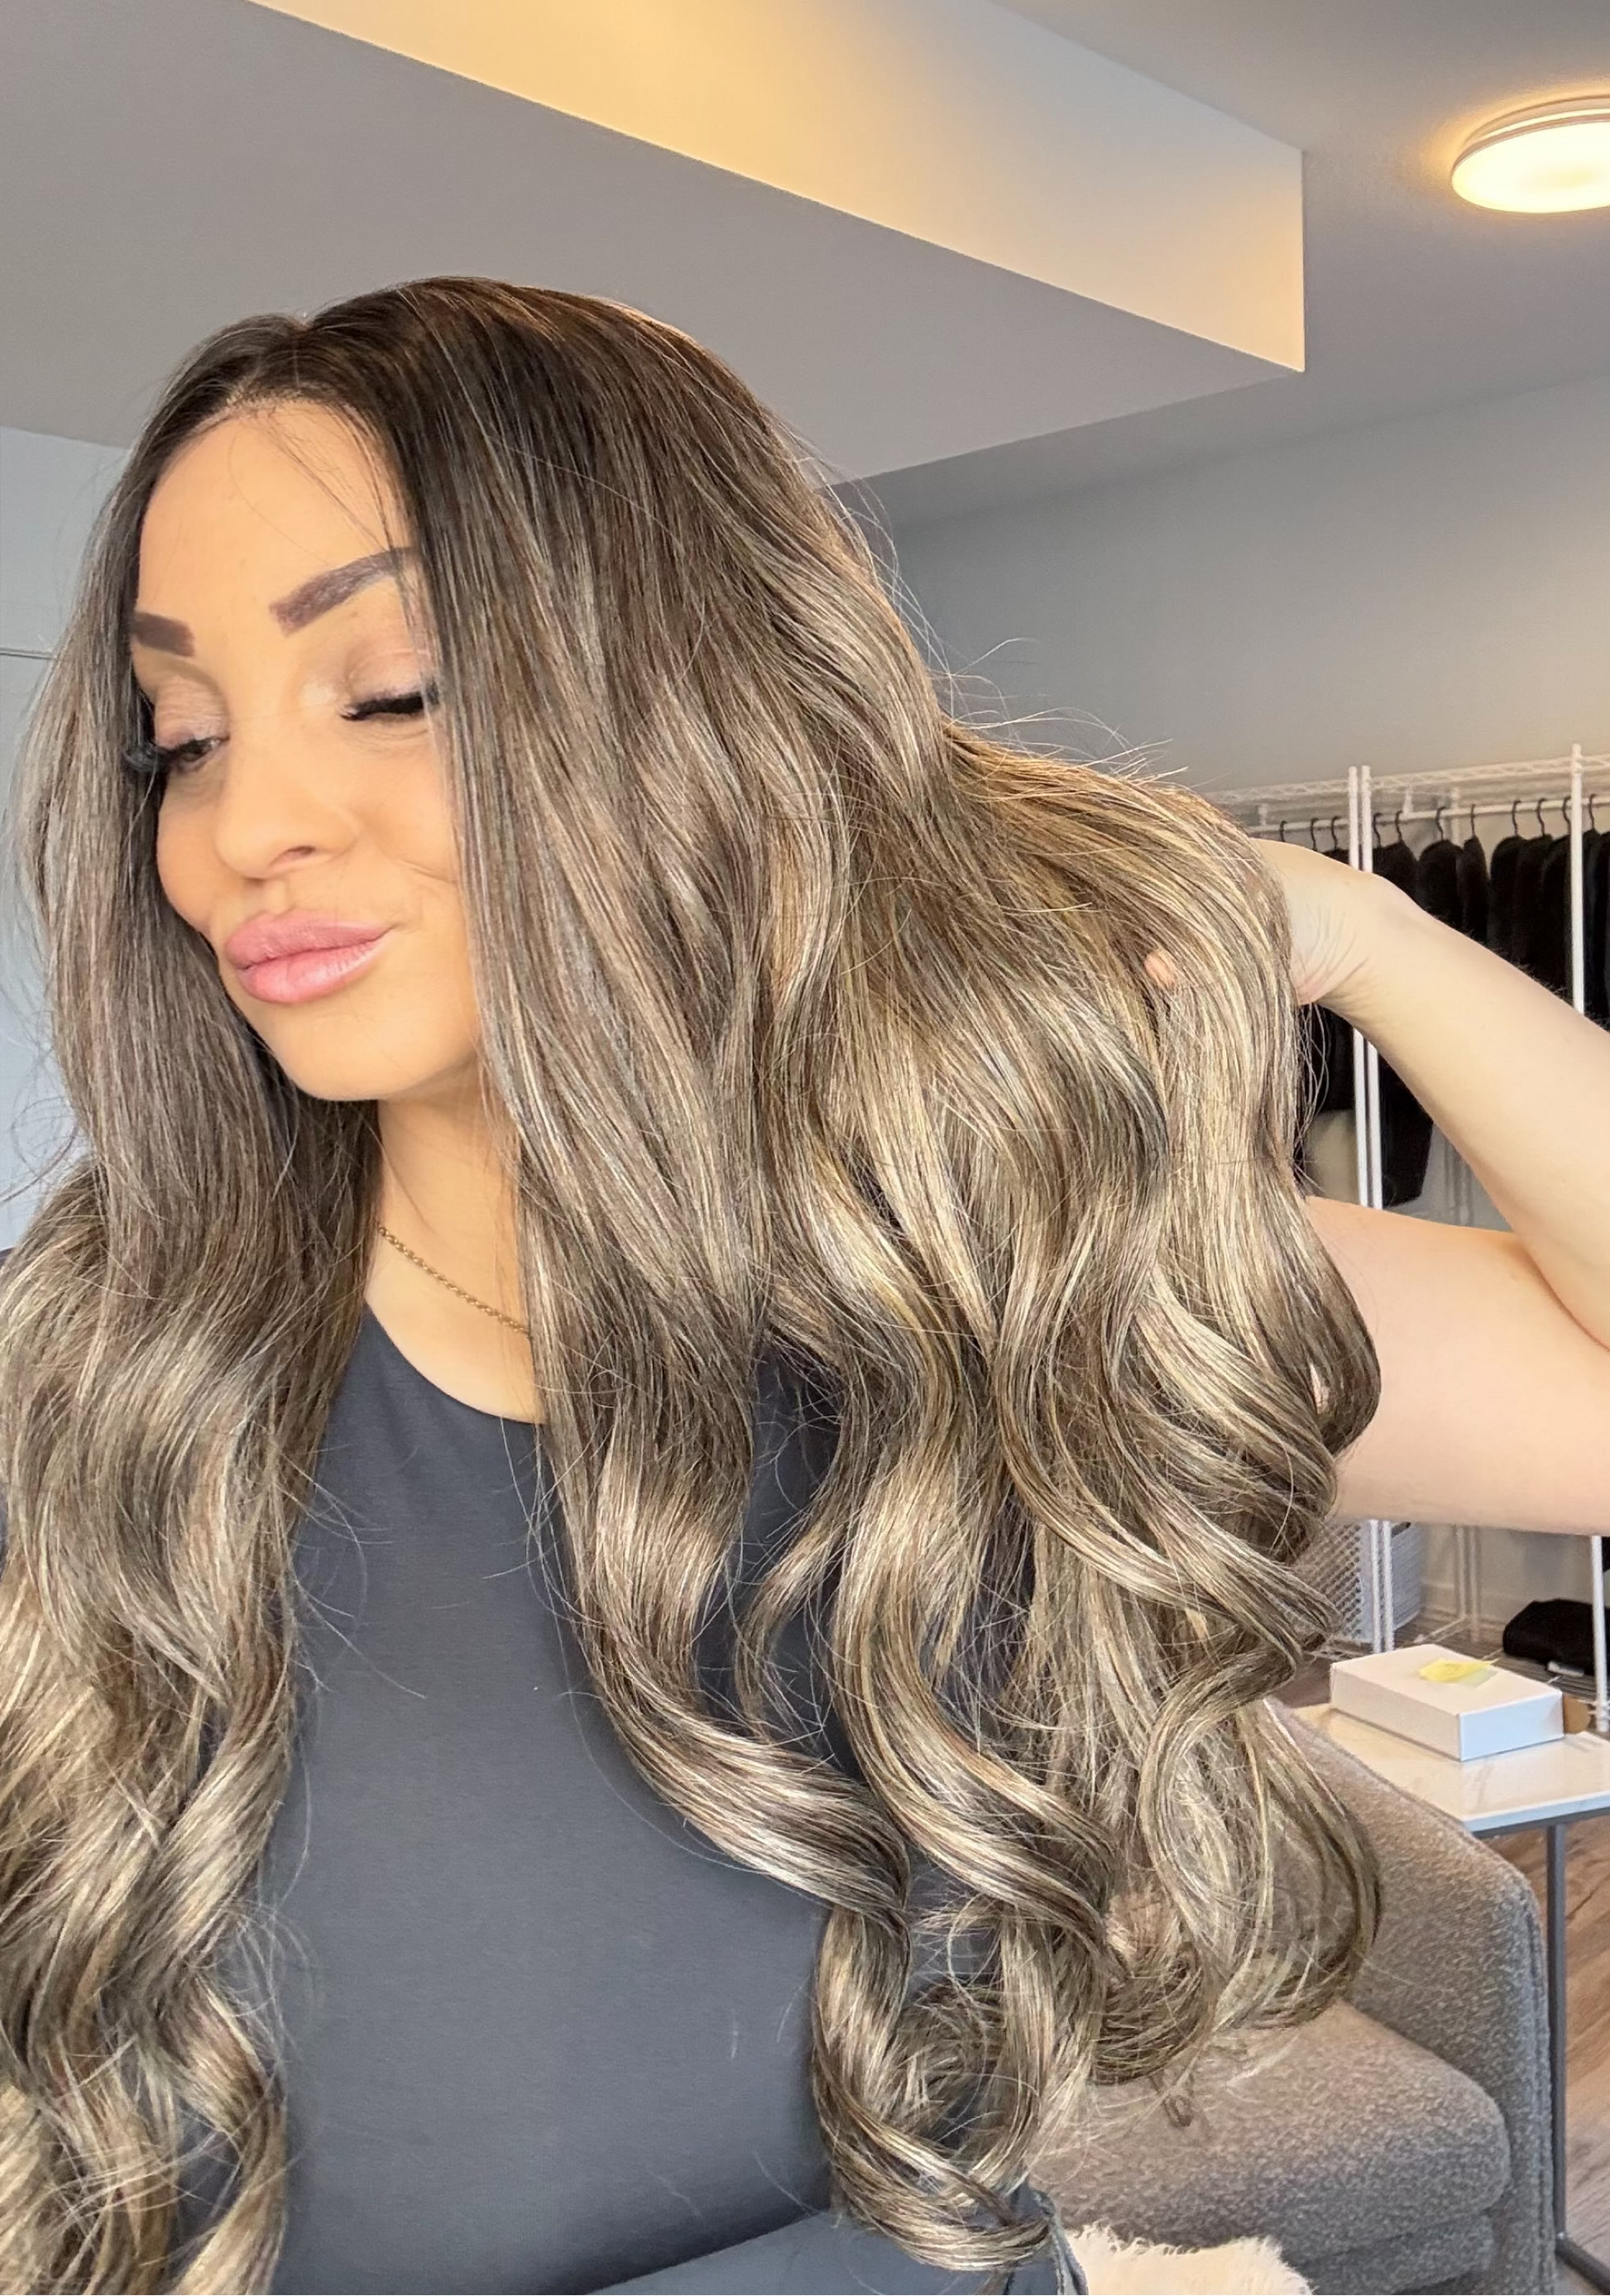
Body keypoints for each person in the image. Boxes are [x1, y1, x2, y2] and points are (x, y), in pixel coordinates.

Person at [1, 277, 1607, 2296]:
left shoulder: (1006, 1279)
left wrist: (1354, 931)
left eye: (391, 690)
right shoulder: (98, 1398)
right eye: (182, 738)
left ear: (693, 700)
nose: (242, 828)